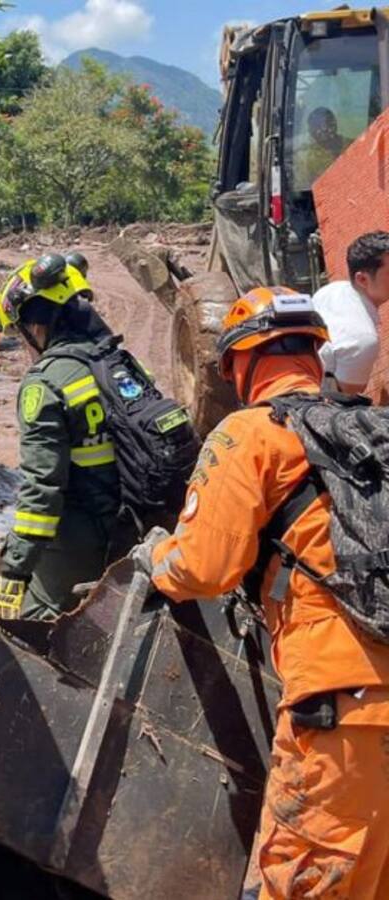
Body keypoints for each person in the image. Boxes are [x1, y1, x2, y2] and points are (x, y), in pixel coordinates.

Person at [142, 285, 389, 900]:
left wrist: (156, 559)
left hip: (339, 704)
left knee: (309, 878)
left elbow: (204, 568)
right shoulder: (372, 431)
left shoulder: (250, 434)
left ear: (240, 364)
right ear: (314, 353)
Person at [0, 254, 128, 622]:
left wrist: (14, 571)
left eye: (20, 333)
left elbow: (42, 489)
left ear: (36, 325)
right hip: (136, 527)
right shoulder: (122, 363)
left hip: (85, 534)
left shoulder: (45, 383)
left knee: (28, 623)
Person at [311, 231, 389, 395]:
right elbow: (346, 400)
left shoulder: (332, 290)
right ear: (362, 280)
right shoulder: (363, 339)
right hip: (302, 402)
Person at [301, 106, 353, 185]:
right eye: (317, 126)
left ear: (335, 124)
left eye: (328, 123)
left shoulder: (353, 146)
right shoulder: (308, 157)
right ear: (310, 131)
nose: (324, 129)